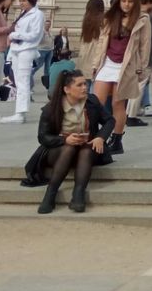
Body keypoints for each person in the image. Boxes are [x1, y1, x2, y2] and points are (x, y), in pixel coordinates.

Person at [28, 70, 113, 213]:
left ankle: (78, 195)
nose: (85, 88)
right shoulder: (51, 108)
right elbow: (43, 137)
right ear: (67, 89)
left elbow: (110, 120)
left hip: (87, 148)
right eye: (79, 85)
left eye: (85, 84)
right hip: (60, 150)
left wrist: (100, 137)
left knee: (86, 150)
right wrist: (64, 139)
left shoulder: (91, 101)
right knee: (69, 148)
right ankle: (50, 194)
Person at [91, 0, 151, 153]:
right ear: (118, 1)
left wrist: (141, 69)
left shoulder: (143, 19)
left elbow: (145, 46)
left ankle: (117, 140)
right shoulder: (110, 18)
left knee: (118, 104)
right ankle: (93, 136)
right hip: (107, 63)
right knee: (95, 103)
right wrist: (95, 65)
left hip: (126, 66)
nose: (126, 4)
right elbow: (101, 42)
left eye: (130, 1)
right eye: (124, 1)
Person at [0, 0, 46, 125]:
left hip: (27, 50)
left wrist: (14, 36)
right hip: (16, 49)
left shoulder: (38, 14)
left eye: (24, 1)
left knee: (23, 82)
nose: (21, 3)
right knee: (18, 82)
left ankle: (20, 113)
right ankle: (19, 111)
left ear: (31, 0)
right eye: (20, 0)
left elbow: (35, 35)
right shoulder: (22, 14)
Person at [125, 0, 152, 125]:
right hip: (145, 56)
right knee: (139, 86)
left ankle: (129, 113)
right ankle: (131, 116)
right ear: (149, 2)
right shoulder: (147, 17)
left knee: (136, 86)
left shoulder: (134, 15)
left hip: (135, 55)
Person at [74, 0, 106, 83]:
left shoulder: (86, 20)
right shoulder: (103, 20)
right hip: (96, 53)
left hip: (85, 54)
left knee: (85, 83)